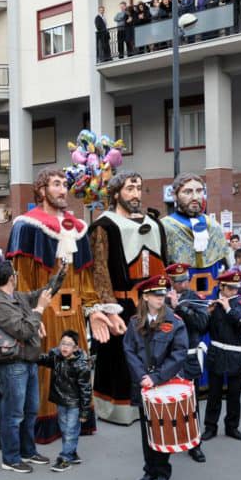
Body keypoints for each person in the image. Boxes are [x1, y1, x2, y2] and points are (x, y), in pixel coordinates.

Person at [6, 168, 106, 441]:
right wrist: (29, 316)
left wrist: (94, 310)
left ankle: (77, 420)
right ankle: (45, 425)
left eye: (64, 184)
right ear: (42, 190)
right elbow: (21, 279)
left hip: (73, 313)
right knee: (46, 370)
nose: (63, 190)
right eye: (56, 184)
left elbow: (85, 278)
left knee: (76, 366)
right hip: (45, 313)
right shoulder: (27, 226)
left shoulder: (78, 228)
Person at [89, 172, 167, 424]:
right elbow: (99, 271)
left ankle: (152, 403)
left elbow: (164, 263)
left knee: (154, 354)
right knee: (120, 359)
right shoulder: (104, 225)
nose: (135, 194)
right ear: (115, 194)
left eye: (139, 188)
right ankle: (119, 409)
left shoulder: (155, 223)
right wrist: (109, 308)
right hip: (120, 303)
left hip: (152, 301)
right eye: (129, 188)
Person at [0, 259, 56, 473]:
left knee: (30, 410)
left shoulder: (16, 296)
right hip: (13, 363)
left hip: (28, 360)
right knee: (14, 413)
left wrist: (61, 272)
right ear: (11, 278)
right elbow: (23, 331)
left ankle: (28, 451)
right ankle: (10, 458)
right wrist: (40, 309)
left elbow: (43, 292)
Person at [123, 275, 189, 480]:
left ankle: (162, 472)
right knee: (146, 429)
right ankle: (149, 470)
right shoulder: (135, 322)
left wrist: (156, 377)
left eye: (163, 294)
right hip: (143, 383)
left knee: (163, 428)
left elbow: (179, 353)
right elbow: (129, 350)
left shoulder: (174, 321)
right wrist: (142, 376)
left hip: (164, 382)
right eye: (156, 294)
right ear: (145, 297)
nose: (161, 298)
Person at [202, 271, 241, 442]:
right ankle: (210, 427)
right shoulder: (212, 303)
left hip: (235, 354)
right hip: (217, 353)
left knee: (234, 395)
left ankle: (232, 427)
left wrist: (229, 310)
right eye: (230, 288)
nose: (233, 291)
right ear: (221, 286)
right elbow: (201, 328)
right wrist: (207, 313)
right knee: (214, 394)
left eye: (235, 288)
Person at [161, 173, 231, 299]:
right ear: (174, 195)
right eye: (187, 192)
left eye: (199, 191)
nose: (195, 197)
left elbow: (225, 265)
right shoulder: (164, 226)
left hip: (212, 296)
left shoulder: (214, 225)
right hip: (180, 297)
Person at [166, 263, 209, 463]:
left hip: (189, 357)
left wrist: (180, 308)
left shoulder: (194, 298)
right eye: (178, 282)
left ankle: (195, 444)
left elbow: (202, 325)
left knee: (192, 405)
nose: (182, 284)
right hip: (168, 359)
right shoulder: (162, 298)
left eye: (184, 281)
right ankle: (170, 439)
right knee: (169, 402)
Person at [36, 330, 91, 472]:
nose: (65, 347)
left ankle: (65, 458)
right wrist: (31, 354)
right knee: (64, 428)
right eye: (63, 343)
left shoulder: (81, 366)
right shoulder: (56, 358)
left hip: (74, 404)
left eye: (69, 344)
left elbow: (86, 390)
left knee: (71, 430)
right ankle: (72, 453)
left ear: (76, 348)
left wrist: (84, 412)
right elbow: (43, 359)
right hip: (61, 401)